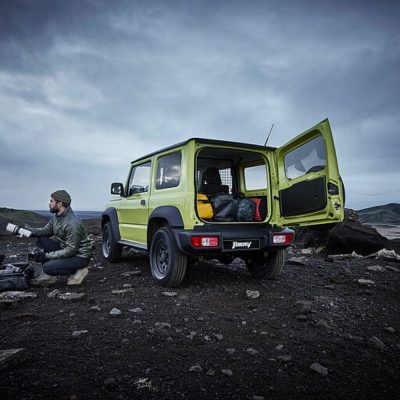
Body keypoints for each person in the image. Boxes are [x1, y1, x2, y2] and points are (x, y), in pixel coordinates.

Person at [9, 190, 92, 285]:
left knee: (48, 268)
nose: (49, 204)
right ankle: (50, 276)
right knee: (41, 240)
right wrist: (25, 230)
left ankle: (78, 271)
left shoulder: (72, 224)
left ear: (60, 204)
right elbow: (45, 231)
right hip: (66, 249)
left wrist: (45, 256)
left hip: (79, 257)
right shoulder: (57, 217)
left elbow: (71, 250)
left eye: (51, 201)